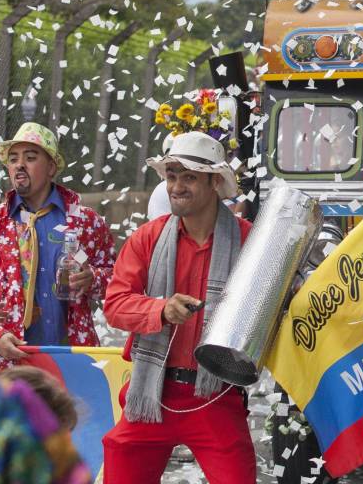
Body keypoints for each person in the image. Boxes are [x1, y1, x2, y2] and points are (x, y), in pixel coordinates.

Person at [102, 131, 255, 484]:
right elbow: (114, 305)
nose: (177, 186)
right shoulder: (147, 237)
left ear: (215, 181)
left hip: (215, 392)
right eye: (171, 176)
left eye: (189, 177)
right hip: (150, 391)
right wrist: (161, 310)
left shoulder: (249, 239)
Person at [0, 122, 116, 369]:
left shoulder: (86, 222)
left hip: (69, 361)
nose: (19, 164)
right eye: (13, 159)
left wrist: (92, 278)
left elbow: (117, 282)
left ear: (51, 167)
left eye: (30, 157)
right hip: (2, 363)